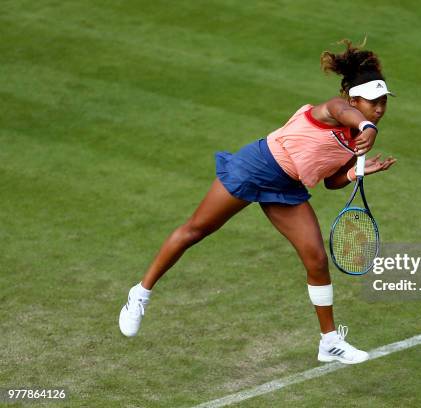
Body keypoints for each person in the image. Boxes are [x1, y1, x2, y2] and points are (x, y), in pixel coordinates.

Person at [118, 39, 396, 365]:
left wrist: (357, 173)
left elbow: (331, 180)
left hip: (287, 188)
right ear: (353, 99)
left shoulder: (357, 139)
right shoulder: (336, 110)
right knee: (196, 230)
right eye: (372, 102)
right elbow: (344, 113)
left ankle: (329, 342)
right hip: (256, 166)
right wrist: (365, 126)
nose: (378, 109)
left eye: (383, 103)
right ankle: (140, 293)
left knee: (317, 259)